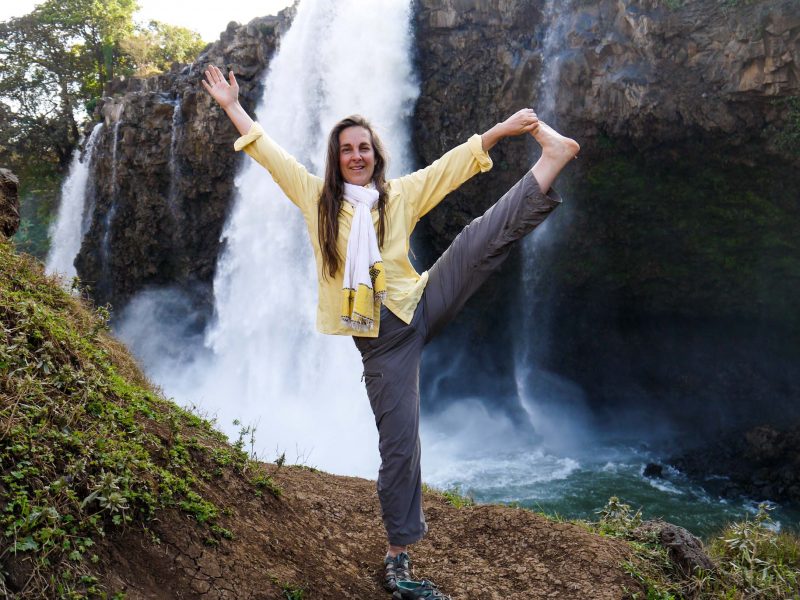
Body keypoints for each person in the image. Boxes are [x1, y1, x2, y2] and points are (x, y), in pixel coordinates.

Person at [202, 64, 579, 598]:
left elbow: (453, 169)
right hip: (382, 342)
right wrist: (231, 106)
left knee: (478, 238)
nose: (357, 155)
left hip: (421, 300)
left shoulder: (398, 196)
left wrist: (502, 130)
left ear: (376, 154)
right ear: (336, 159)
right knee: (400, 443)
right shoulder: (318, 202)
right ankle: (398, 559)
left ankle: (552, 159)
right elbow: (268, 153)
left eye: (365, 148)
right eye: (347, 149)